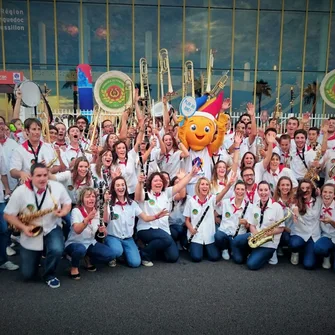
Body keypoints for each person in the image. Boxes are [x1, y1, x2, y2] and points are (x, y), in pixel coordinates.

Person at [4, 163, 72, 288]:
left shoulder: (56, 187)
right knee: (28, 275)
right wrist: (23, 227)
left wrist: (63, 212)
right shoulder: (20, 191)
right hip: (30, 229)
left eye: (45, 175)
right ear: (31, 176)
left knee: (57, 249)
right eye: (38, 175)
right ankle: (36, 258)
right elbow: (8, 215)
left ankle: (49, 274)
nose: (42, 179)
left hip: (51, 226)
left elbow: (67, 203)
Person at [135, 165, 200, 266]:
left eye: (160, 181)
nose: (158, 182)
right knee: (166, 239)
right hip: (146, 228)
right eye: (155, 180)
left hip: (164, 230)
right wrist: (139, 183)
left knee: (173, 257)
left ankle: (154, 249)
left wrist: (190, 174)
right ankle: (144, 255)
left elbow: (179, 186)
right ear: (150, 183)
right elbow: (138, 196)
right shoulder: (146, 193)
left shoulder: (166, 193)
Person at [104, 176, 168, 268]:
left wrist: (156, 216)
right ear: (113, 188)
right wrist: (106, 203)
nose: (120, 187)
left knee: (135, 263)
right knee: (117, 251)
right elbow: (105, 220)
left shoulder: (132, 203)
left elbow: (145, 218)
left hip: (128, 238)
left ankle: (124, 253)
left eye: (122, 185)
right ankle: (113, 255)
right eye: (117, 185)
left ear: (126, 187)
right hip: (113, 237)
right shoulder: (109, 202)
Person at [183, 174, 236, 263]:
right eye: (202, 184)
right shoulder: (191, 201)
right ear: (198, 187)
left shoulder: (212, 199)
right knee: (196, 258)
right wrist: (191, 229)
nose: (205, 186)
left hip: (209, 236)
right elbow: (187, 220)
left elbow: (222, 194)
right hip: (196, 235)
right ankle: (196, 248)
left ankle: (204, 248)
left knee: (214, 257)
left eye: (207, 184)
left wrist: (229, 185)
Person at [233, 181, 284, 270]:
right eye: (261, 190)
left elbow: (281, 228)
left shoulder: (277, 207)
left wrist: (266, 234)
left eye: (265, 190)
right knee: (236, 240)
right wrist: (256, 234)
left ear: (269, 191)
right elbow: (252, 225)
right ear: (257, 191)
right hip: (256, 236)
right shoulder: (255, 206)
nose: (263, 193)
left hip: (269, 242)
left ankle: (270, 254)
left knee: (251, 265)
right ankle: (254, 252)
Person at [65, 187, 114, 279]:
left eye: (93, 196)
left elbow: (105, 232)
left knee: (110, 254)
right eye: (87, 196)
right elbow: (77, 230)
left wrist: (103, 230)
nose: (91, 198)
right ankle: (74, 267)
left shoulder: (97, 211)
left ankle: (87, 257)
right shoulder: (76, 211)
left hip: (90, 242)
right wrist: (87, 219)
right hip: (75, 243)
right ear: (82, 199)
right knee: (80, 249)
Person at [10, 118, 60, 183]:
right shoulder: (18, 150)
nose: (37, 132)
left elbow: (57, 166)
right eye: (34, 129)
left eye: (39, 129)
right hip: (28, 187)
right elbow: (13, 171)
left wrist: (47, 170)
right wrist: (21, 173)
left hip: (47, 186)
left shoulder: (49, 147)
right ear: (27, 131)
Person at [214, 181, 252, 260]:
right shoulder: (225, 202)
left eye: (242, 189)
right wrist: (215, 218)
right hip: (225, 232)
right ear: (234, 190)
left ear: (245, 191)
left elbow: (250, 226)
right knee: (218, 235)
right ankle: (225, 249)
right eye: (238, 189)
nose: (240, 192)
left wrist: (246, 223)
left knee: (238, 260)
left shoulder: (250, 207)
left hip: (238, 236)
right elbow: (215, 213)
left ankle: (233, 249)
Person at [290, 179, 322, 269]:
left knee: (309, 265)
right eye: (302, 188)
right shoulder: (296, 202)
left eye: (308, 188)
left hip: (313, 235)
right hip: (300, 234)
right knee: (294, 243)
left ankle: (309, 251)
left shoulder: (318, 200)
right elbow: (293, 207)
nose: (305, 190)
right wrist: (295, 209)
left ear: (312, 189)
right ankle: (295, 252)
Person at [314, 184, 335, 270]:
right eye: (325, 192)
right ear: (321, 193)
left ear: (334, 195)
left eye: (330, 192)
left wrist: (331, 222)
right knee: (318, 248)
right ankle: (327, 255)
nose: (327, 194)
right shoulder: (318, 204)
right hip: (326, 236)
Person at [273, 176, 294, 255]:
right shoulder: (274, 201)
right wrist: (284, 228)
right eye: (283, 185)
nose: (285, 187)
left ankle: (294, 250)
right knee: (284, 236)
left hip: (292, 228)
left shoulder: (295, 200)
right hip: (280, 229)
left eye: (288, 185)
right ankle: (279, 246)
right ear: (278, 186)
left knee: (291, 239)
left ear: (291, 186)